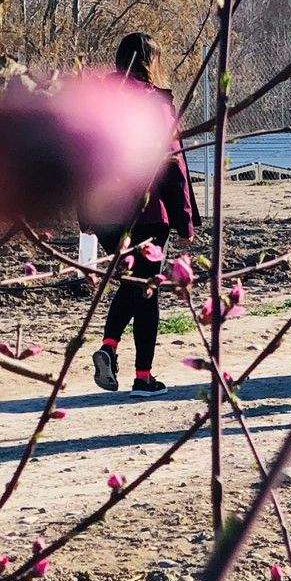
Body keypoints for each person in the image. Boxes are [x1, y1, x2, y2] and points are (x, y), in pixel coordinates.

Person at [92, 33, 195, 398]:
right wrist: (185, 218)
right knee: (145, 287)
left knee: (134, 283)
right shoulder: (154, 102)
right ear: (151, 62)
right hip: (148, 209)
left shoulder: (96, 100)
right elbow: (172, 162)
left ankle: (128, 362)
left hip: (105, 210)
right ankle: (135, 370)